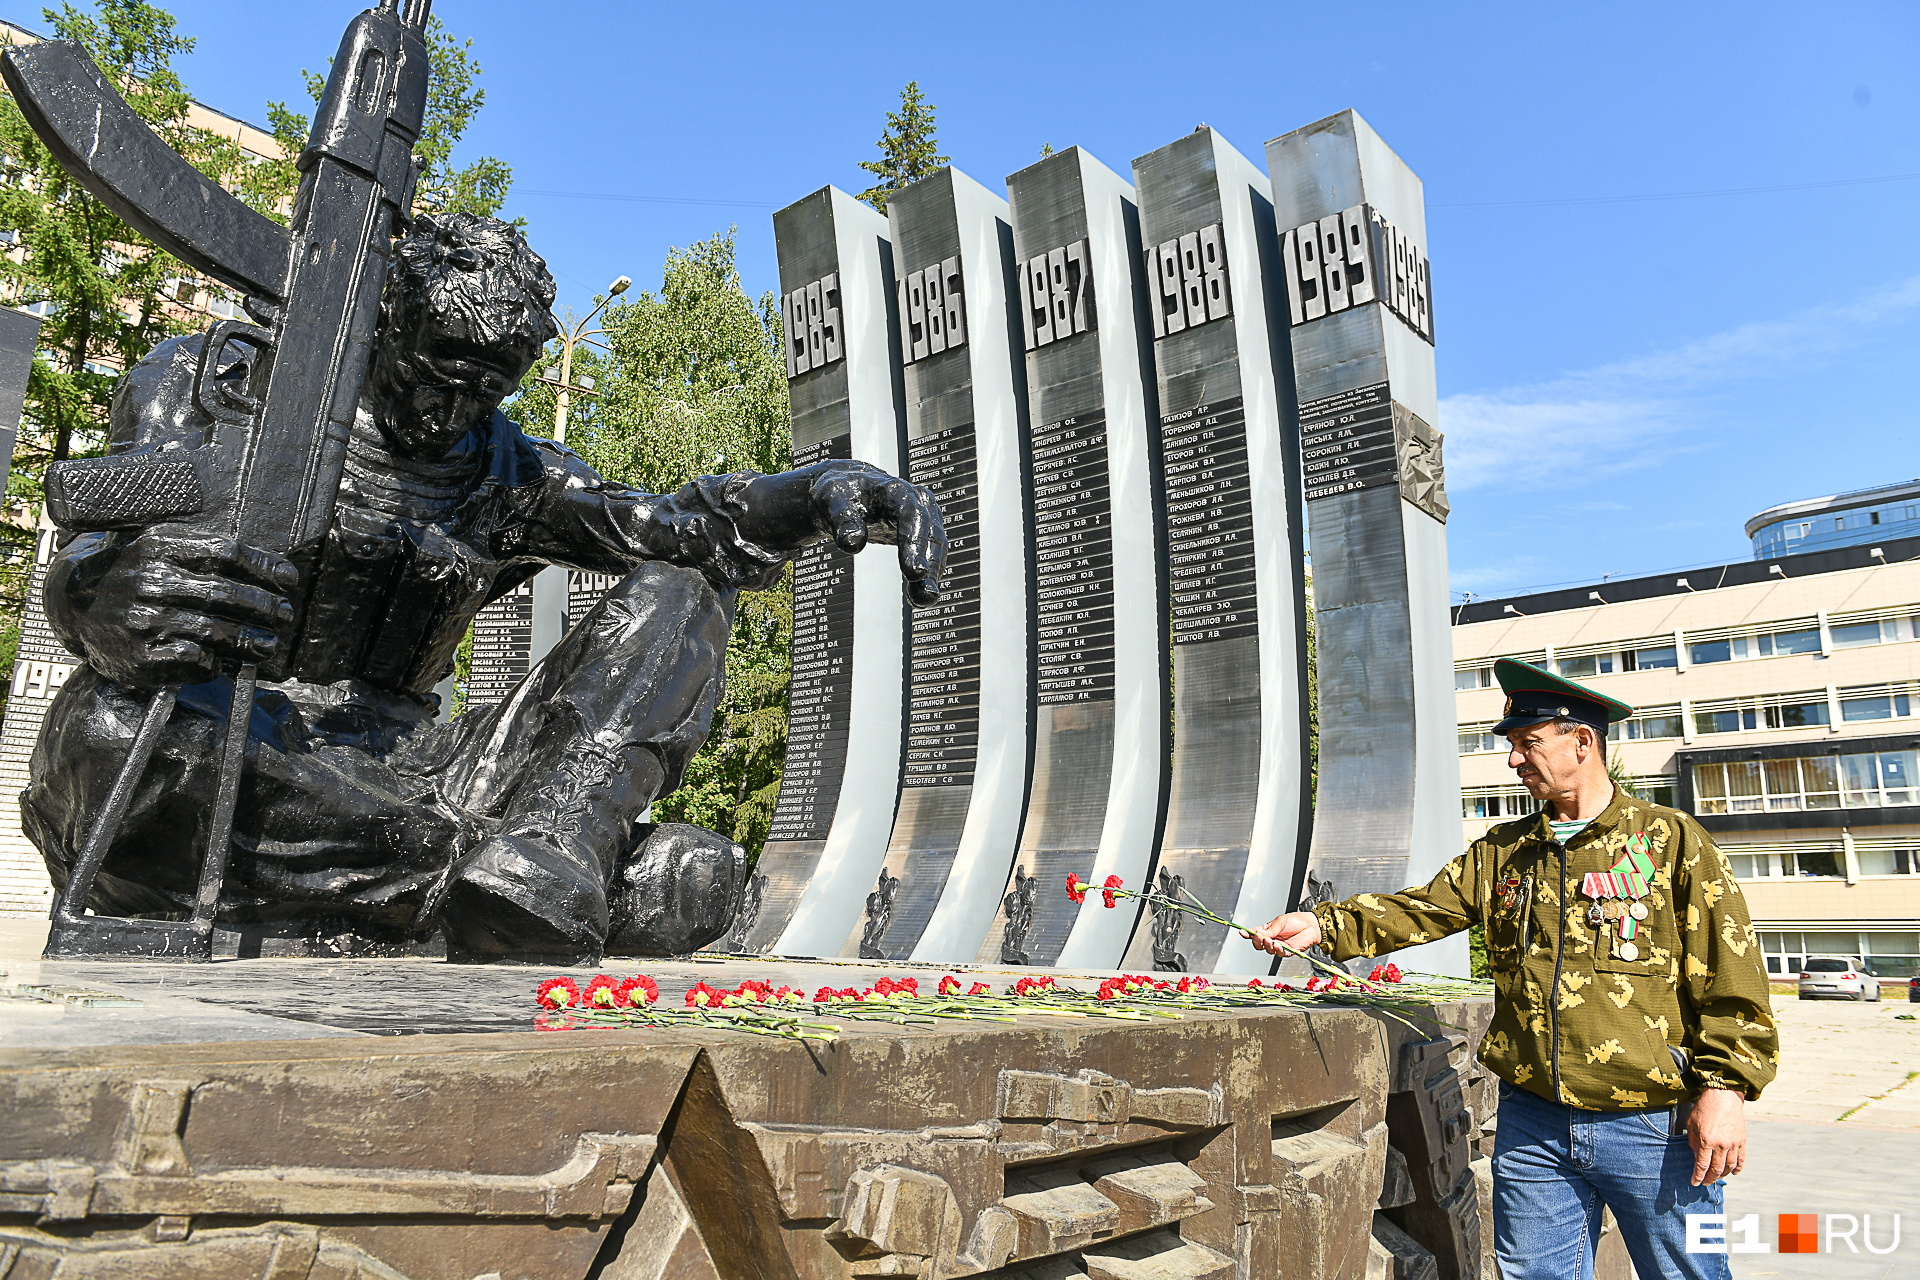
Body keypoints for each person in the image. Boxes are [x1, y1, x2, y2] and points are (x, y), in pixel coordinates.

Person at [24, 212, 946, 964]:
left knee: (682, 592)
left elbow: (674, 526)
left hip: (418, 766)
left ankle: (541, 851)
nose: (452, 410)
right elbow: (101, 536)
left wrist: (812, 494)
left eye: (487, 387)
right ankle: (514, 881)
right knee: (108, 742)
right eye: (437, 372)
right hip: (237, 741)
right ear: (385, 319)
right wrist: (98, 596)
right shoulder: (219, 381)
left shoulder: (507, 468)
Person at [1251, 658, 1778, 1280]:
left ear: (1583, 742)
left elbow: (1731, 973)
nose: (1514, 760)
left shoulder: (1668, 840)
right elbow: (1423, 908)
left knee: (1689, 1272)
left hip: (1653, 1124)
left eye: (1529, 744)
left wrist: (1727, 1091)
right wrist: (1322, 926)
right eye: (1513, 747)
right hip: (1533, 1121)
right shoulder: (1505, 851)